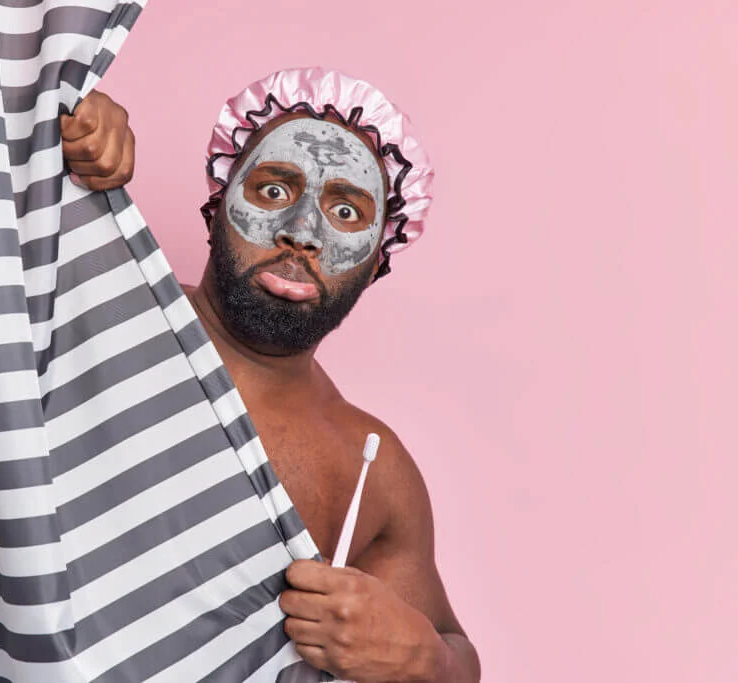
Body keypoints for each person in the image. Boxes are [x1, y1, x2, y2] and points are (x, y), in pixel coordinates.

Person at [63, 68, 481, 683]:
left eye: (344, 210)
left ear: (375, 262)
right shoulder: (100, 303)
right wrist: (60, 133)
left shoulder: (370, 464)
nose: (302, 233)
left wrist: (426, 660)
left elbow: (454, 653)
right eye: (275, 191)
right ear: (216, 206)